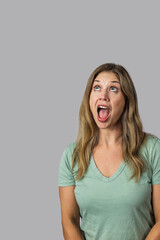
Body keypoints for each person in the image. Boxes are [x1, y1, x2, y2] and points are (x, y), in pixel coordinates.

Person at [58, 63, 160, 240]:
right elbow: (69, 221)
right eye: (97, 87)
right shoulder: (72, 156)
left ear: (127, 99)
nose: (103, 95)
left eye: (113, 89)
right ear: (89, 97)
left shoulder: (153, 149)